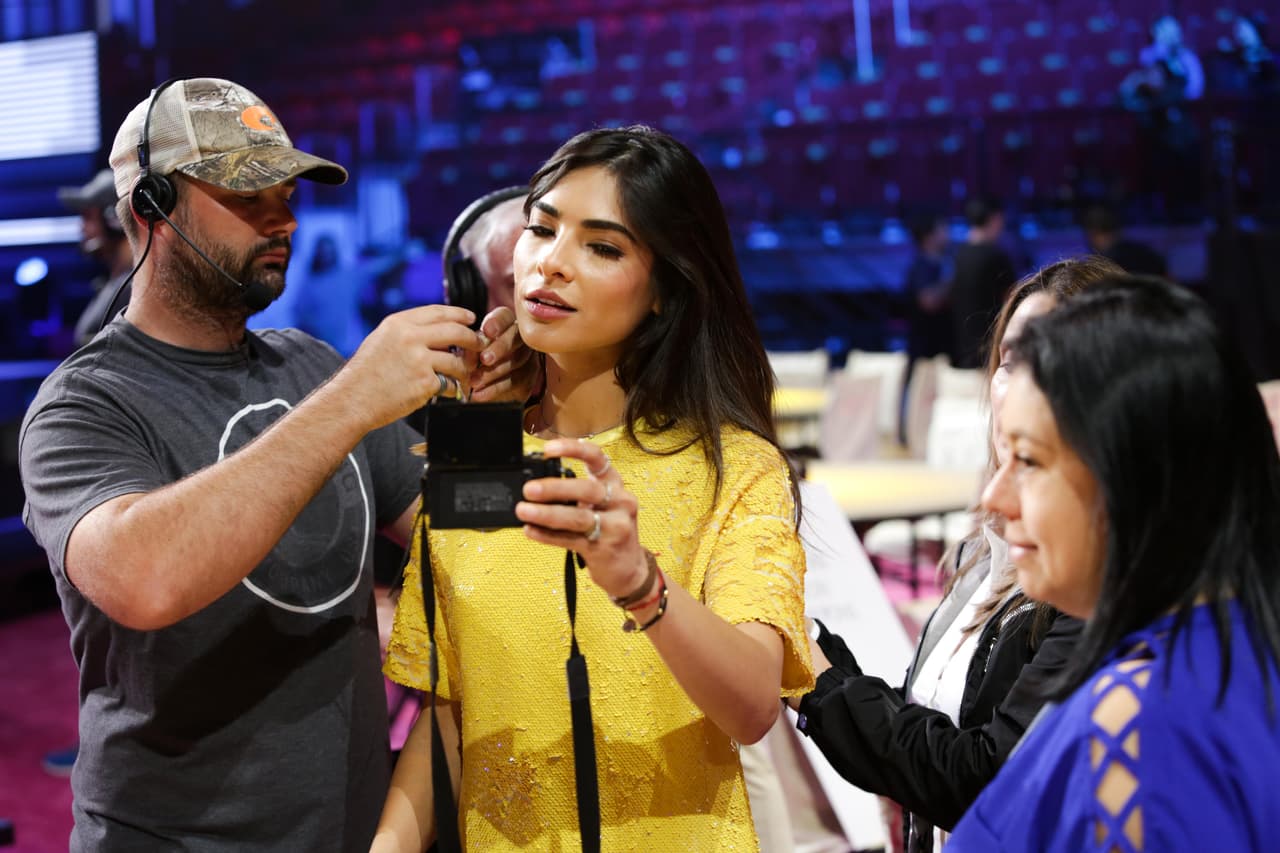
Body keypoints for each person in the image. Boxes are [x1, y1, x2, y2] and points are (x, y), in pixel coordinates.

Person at [18, 77, 530, 851]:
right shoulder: (83, 404)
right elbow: (144, 578)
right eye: (247, 193)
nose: (283, 216)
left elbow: (471, 530)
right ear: (149, 208)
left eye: (285, 191)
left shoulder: (312, 364)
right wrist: (353, 396)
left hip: (352, 827)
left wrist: (496, 414)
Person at [375, 125, 813, 851]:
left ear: (665, 293)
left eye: (601, 246)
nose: (551, 263)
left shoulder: (734, 467)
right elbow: (452, 709)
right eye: (541, 229)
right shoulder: (475, 455)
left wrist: (641, 583)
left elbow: (754, 705)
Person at [791, 257, 1123, 853]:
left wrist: (815, 684)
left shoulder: (1100, 581)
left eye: (1051, 364)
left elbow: (981, 777)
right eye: (1012, 361)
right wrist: (812, 654)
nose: (1020, 386)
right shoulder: (986, 552)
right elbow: (929, 718)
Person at [948, 274, 1280, 850]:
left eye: (1027, 460)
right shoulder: (1229, 649)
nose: (994, 498)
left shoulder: (1141, 718)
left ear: (1134, 476)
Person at [57, 168, 135, 348]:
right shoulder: (114, 285)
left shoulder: (133, 289)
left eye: (88, 218)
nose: (82, 228)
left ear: (114, 219)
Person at [950, 195, 1017, 369]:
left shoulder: (957, 254)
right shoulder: (996, 256)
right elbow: (1012, 298)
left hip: (959, 344)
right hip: (988, 345)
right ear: (994, 219)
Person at [1079, 204, 1168, 278]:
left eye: (1089, 235)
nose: (1089, 240)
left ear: (1093, 233)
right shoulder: (1147, 253)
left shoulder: (1106, 264)